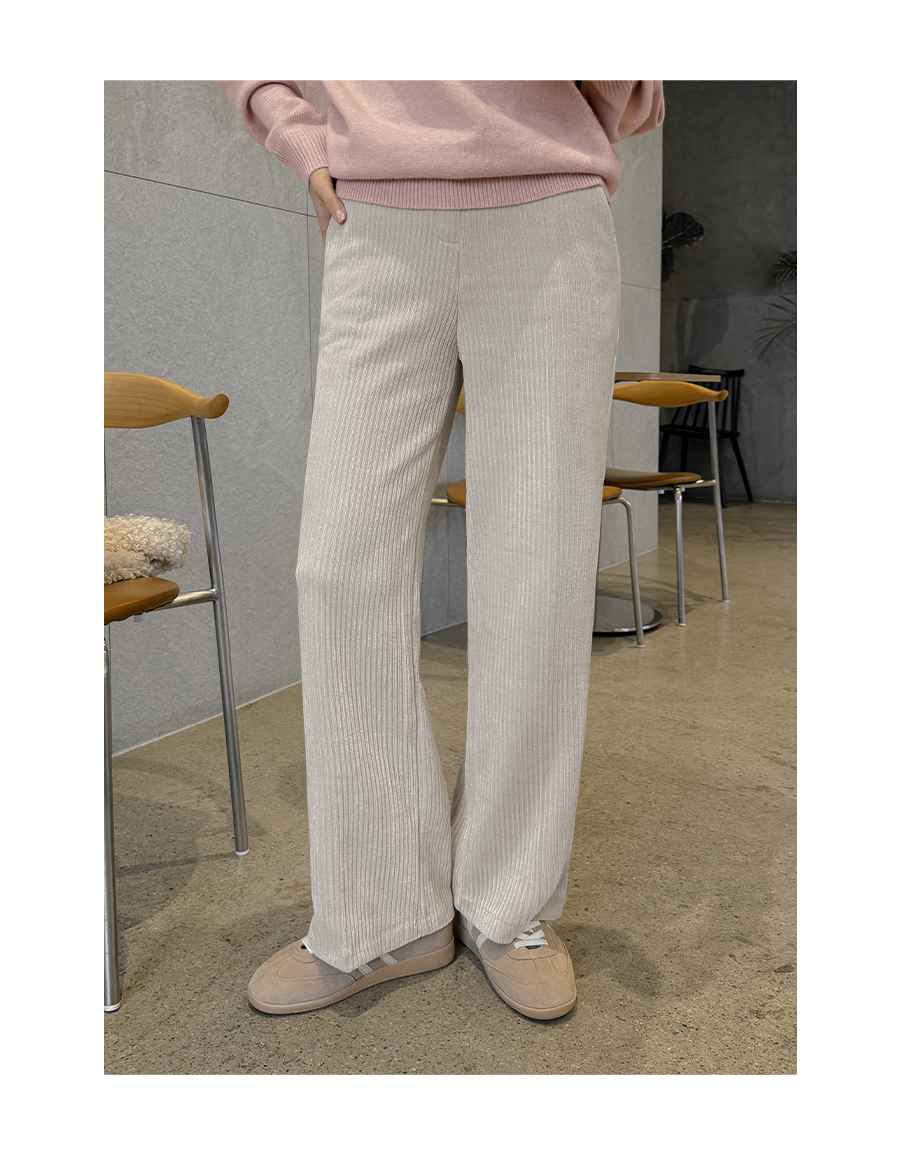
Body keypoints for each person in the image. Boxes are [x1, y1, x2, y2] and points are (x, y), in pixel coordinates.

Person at [217, 80, 664, 1020]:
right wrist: (295, 129)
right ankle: (383, 913)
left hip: (549, 210)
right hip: (377, 215)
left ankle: (508, 904)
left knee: (537, 568)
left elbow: (633, 87)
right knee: (338, 570)